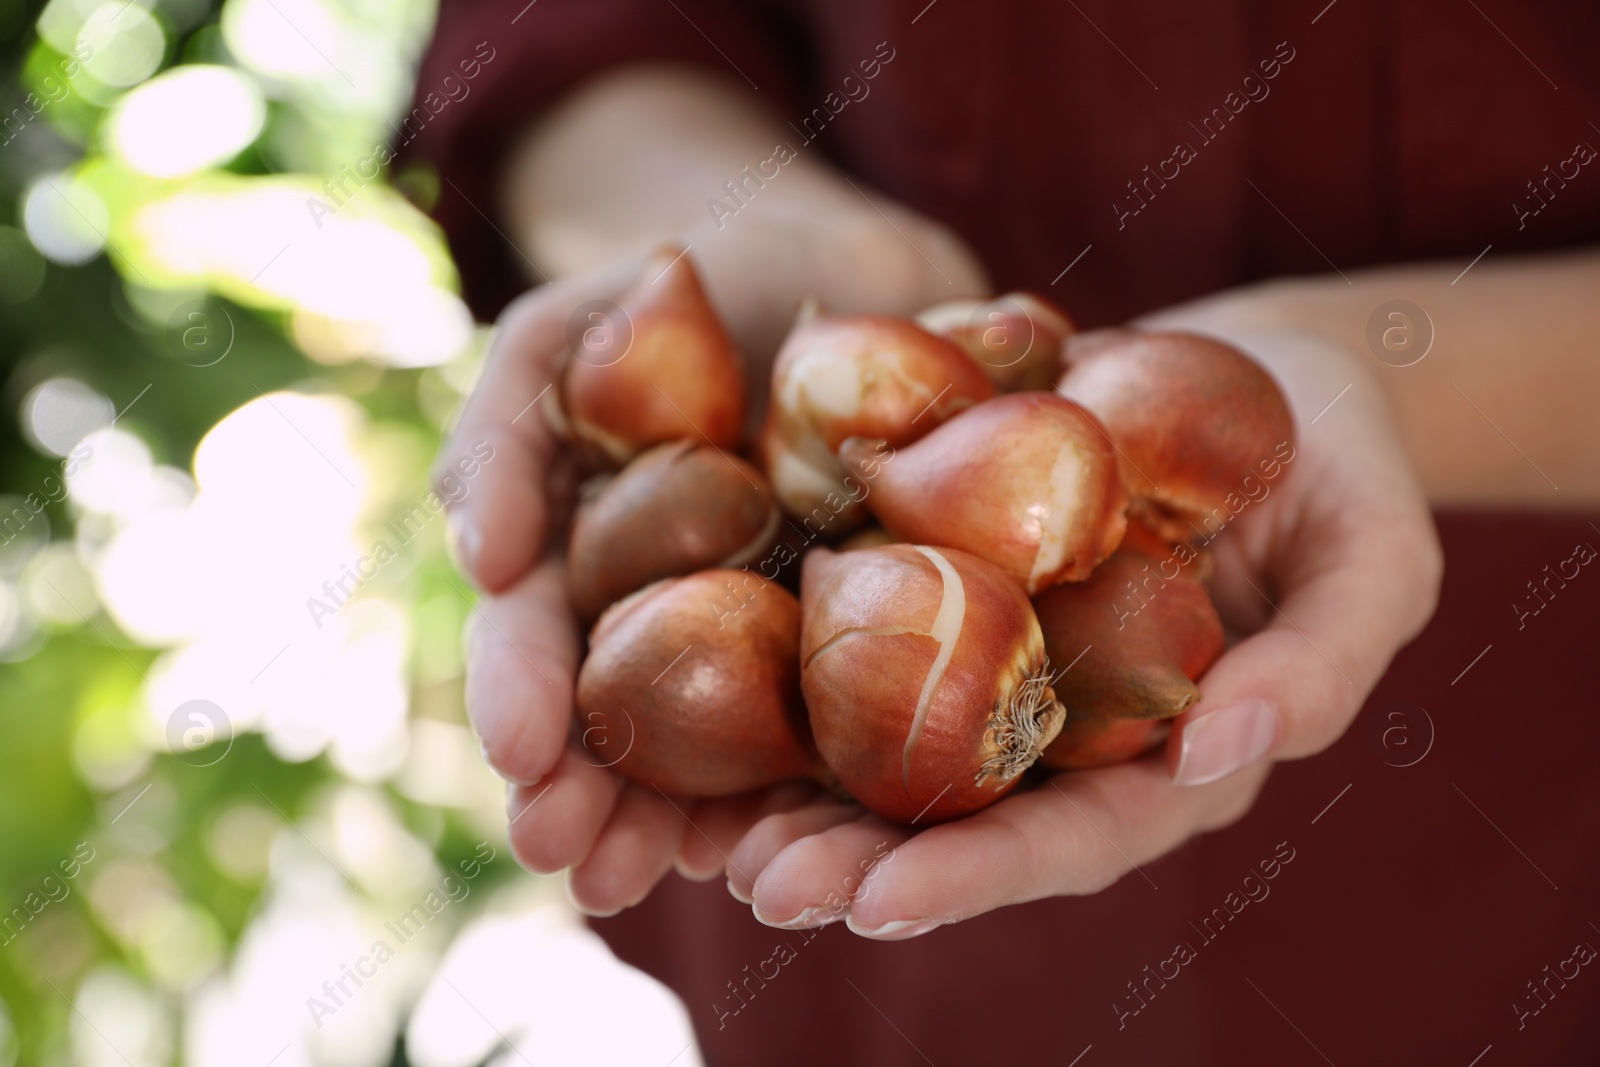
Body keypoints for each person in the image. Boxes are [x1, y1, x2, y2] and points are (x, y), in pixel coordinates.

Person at [416, 1, 1600, 1058]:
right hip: (854, 952)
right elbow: (552, 30)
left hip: (1481, 839)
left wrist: (1386, 383)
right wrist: (742, 224)